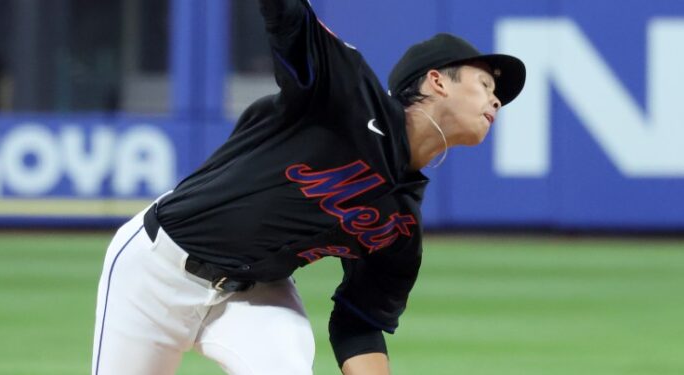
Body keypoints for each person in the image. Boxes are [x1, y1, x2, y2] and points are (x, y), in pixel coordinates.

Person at [91, 0, 526, 374]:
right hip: (156, 268)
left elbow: (359, 322)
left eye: (499, 97)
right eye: (485, 85)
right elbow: (289, 16)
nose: (496, 101)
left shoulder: (401, 224)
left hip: (256, 293)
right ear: (436, 81)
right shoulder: (347, 92)